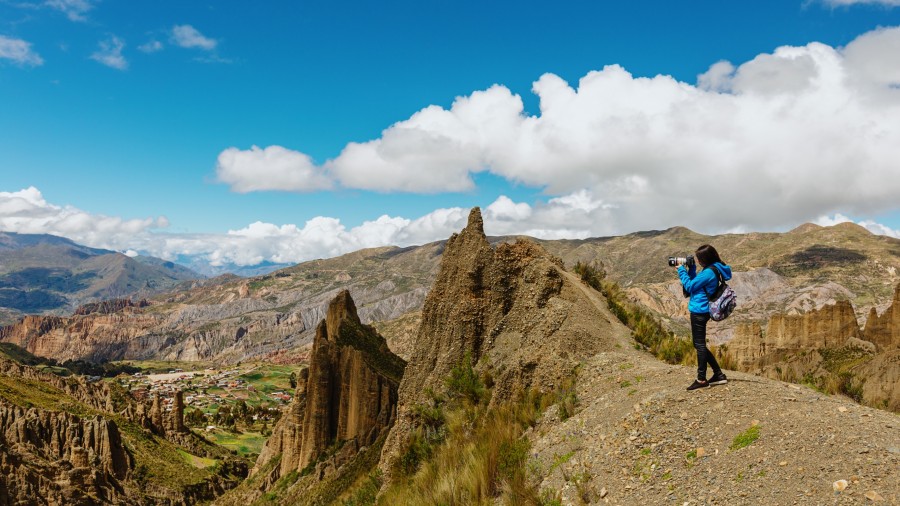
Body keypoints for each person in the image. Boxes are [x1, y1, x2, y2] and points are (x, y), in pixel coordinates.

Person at [675, 244, 732, 391]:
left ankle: (701, 379)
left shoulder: (708, 273)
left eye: (699, 259)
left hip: (699, 311)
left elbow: (689, 287)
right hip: (703, 309)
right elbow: (696, 284)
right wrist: (692, 269)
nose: (698, 261)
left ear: (705, 259)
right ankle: (718, 375)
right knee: (699, 344)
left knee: (699, 345)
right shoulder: (714, 268)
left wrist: (681, 269)